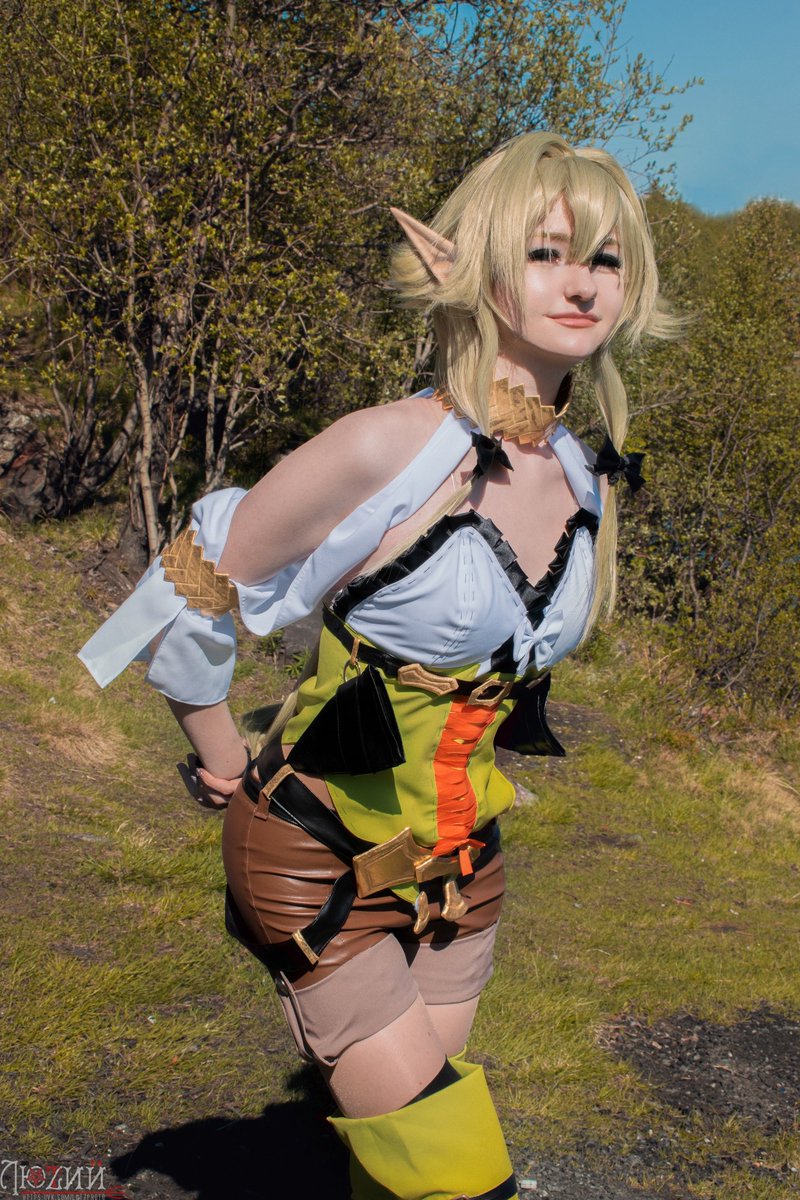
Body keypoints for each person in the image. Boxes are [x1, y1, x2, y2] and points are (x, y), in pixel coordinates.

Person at [80, 131, 673, 1200]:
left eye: (604, 258)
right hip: (317, 854)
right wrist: (223, 759)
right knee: (457, 1174)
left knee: (396, 1161)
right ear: (474, 265)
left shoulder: (585, 477)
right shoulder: (390, 447)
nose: (580, 283)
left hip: (461, 868)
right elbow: (198, 586)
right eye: (544, 253)